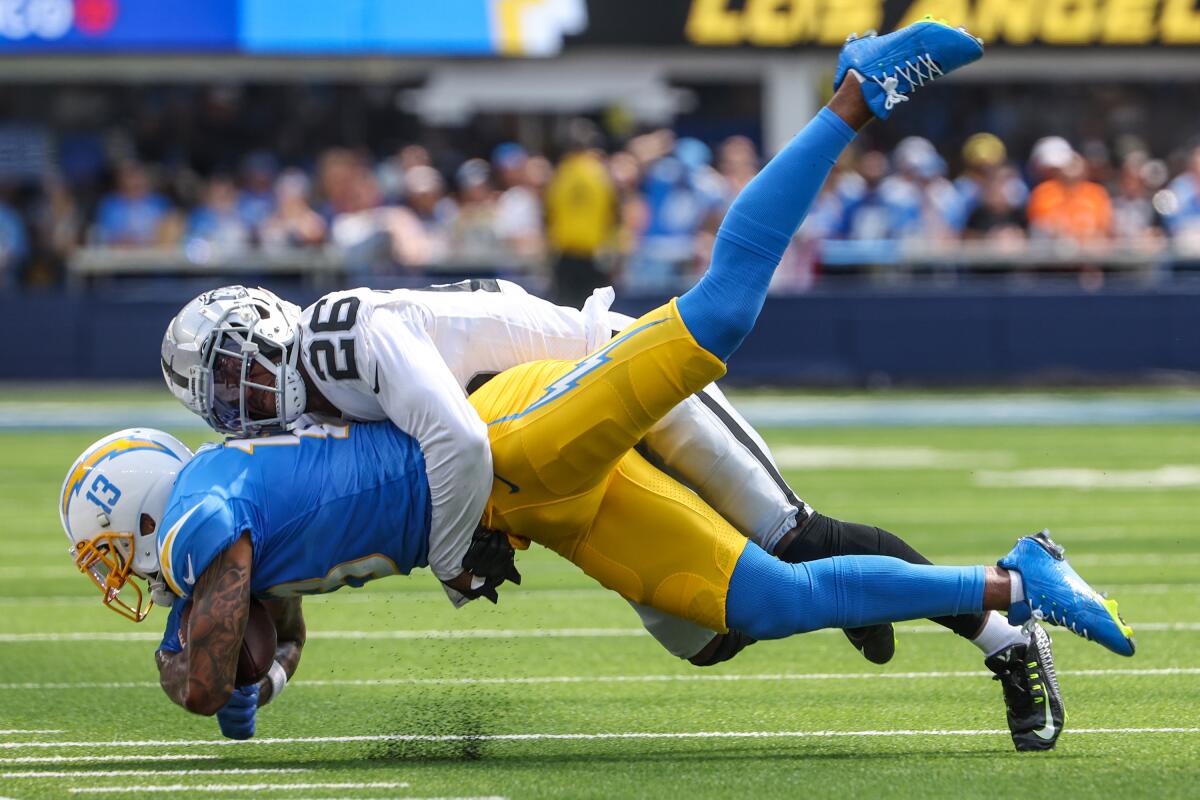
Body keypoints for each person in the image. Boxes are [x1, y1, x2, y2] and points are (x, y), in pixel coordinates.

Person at [129, 19, 1137, 748]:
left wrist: (453, 560)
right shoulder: (283, 437)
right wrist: (251, 677)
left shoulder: (344, 334)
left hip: (565, 384)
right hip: (538, 478)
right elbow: (290, 582)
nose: (240, 397)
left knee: (784, 503)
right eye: (217, 395)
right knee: (727, 624)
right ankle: (968, 588)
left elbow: (462, 447)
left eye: (232, 365)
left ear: (260, 320)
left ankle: (856, 94)